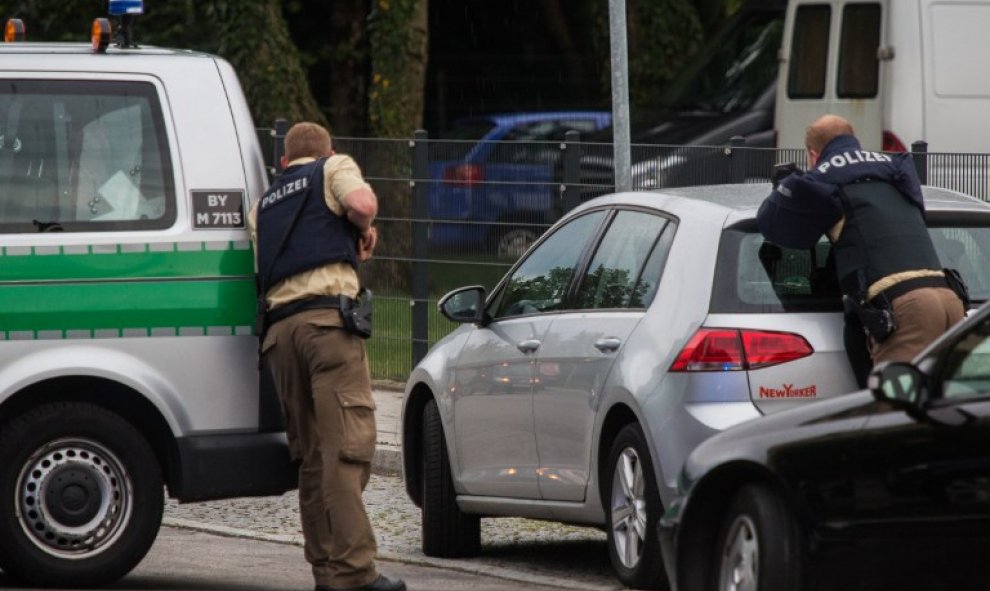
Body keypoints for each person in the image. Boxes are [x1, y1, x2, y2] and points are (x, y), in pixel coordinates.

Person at [248, 122, 405, 591]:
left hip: (279, 337)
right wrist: (366, 227)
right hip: (326, 328)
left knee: (312, 458)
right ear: (327, 151)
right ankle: (356, 574)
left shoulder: (264, 205)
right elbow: (362, 204)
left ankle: (325, 572)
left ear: (283, 163)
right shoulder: (332, 168)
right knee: (346, 450)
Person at [757, 114, 967, 381]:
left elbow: (776, 227)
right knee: (946, 407)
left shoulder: (823, 180)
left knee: (895, 408)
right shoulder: (894, 168)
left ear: (813, 153)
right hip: (950, 298)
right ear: (853, 140)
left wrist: (786, 188)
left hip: (904, 306)